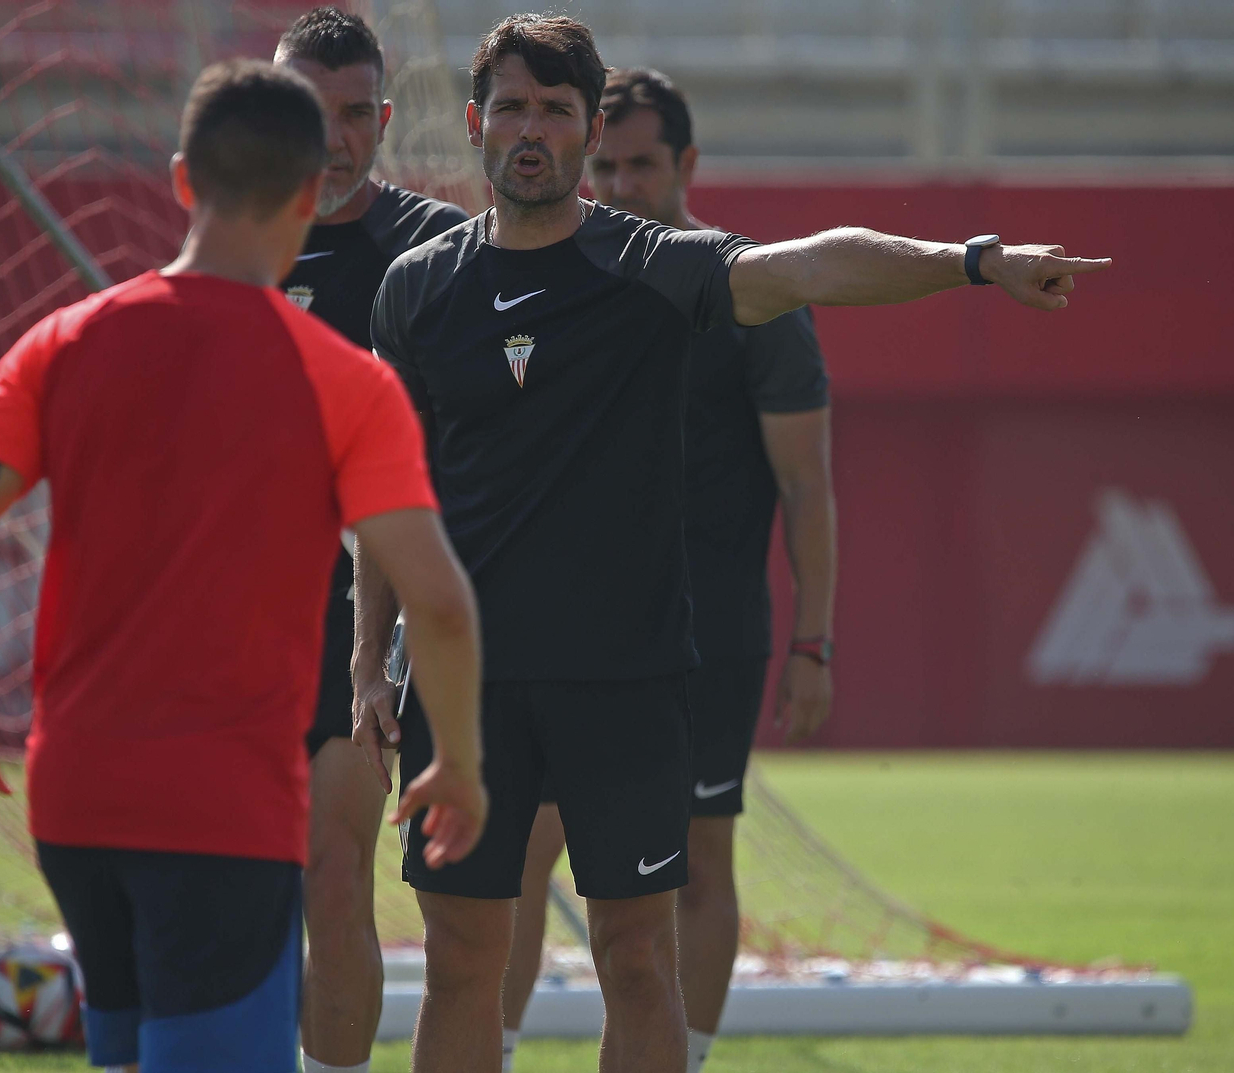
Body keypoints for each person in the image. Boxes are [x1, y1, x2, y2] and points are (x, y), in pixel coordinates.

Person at [355, 15, 1109, 1073]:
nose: (533, 129)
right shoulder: (413, 289)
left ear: (585, 130)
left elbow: (815, 268)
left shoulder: (653, 267)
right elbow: (391, 495)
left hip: (627, 677)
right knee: (462, 960)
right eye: (514, 107)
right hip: (462, 685)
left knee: (635, 958)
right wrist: (368, 657)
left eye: (558, 111)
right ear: (476, 122)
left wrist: (975, 260)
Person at [0, 59, 486, 1073]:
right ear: (310, 194)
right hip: (221, 810)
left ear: (180, 182)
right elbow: (436, 599)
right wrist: (461, 762)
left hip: (75, 797)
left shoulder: (64, 342)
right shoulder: (344, 381)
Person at [498, 67, 835, 1073]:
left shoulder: (752, 294)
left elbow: (806, 486)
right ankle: (496, 1049)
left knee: (696, 863)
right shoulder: (563, 280)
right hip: (571, 632)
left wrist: (813, 639)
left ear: (686, 164)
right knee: (522, 852)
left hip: (707, 636)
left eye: (641, 164)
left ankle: (676, 1059)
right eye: (605, 164)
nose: (621, 183)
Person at [271, 11, 471, 1072]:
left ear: (385, 119)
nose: (336, 139)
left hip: (370, 614)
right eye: (311, 114)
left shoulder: (436, 252)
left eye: (356, 115)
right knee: (244, 889)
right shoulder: (226, 251)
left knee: (339, 873)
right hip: (240, 615)